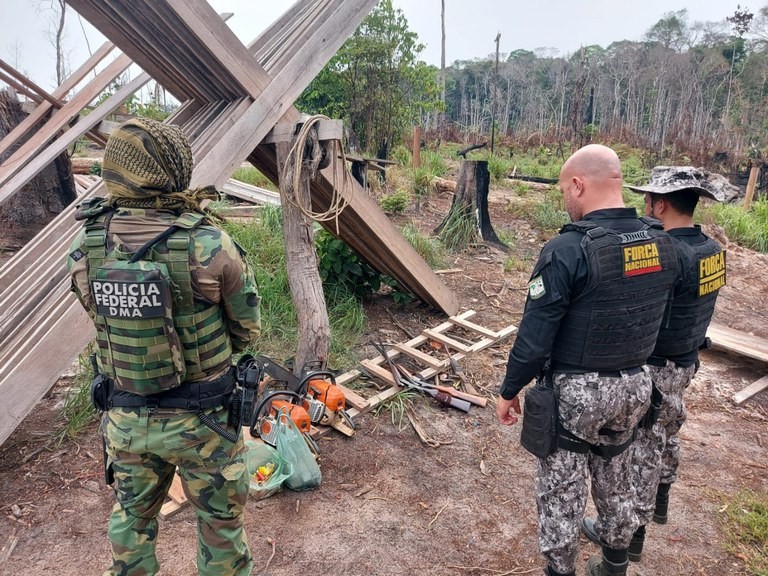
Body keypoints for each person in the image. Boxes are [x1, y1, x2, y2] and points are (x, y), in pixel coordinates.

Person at [66, 118, 262, 576]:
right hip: (204, 423)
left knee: (132, 520)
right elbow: (247, 329)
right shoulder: (208, 242)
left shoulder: (88, 243)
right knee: (220, 526)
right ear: (174, 168)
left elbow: (98, 317)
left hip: (127, 419)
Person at [496, 144, 679, 576]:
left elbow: (535, 337)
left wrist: (509, 390)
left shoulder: (566, 249)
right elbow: (661, 320)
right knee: (616, 478)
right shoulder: (662, 244)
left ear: (578, 184)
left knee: (561, 492)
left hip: (579, 395)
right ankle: (615, 564)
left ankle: (561, 570)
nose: (566, 199)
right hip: (636, 386)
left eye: (564, 190)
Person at [581, 167, 727, 563]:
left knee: (642, 448)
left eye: (647, 201)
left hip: (658, 364)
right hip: (686, 361)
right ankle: (660, 502)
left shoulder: (671, 254)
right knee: (668, 432)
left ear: (659, 205)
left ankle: (631, 538)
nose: (644, 207)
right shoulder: (712, 250)